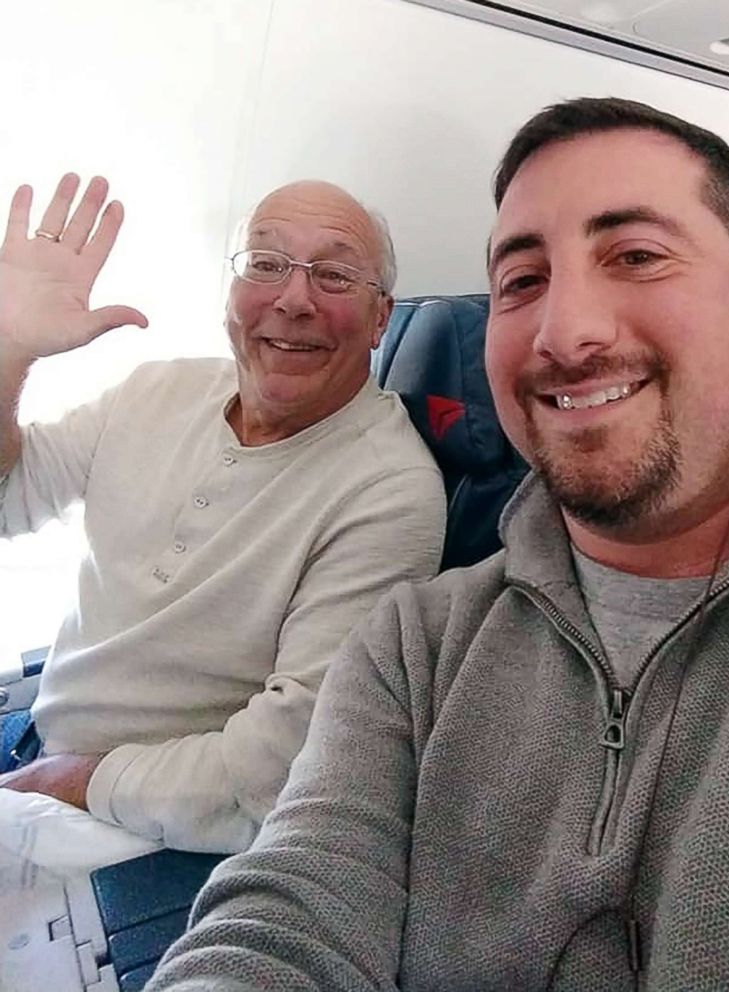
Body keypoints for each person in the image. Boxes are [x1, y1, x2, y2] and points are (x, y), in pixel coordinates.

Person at [146, 98, 729, 990]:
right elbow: (291, 913)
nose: (564, 334)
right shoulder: (416, 645)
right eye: (520, 282)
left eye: (635, 256)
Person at [0, 174, 446, 852]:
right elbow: (9, 501)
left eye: (333, 274)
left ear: (381, 316)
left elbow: (278, 764)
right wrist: (9, 350)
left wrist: (74, 781)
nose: (293, 299)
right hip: (40, 737)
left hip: (150, 821)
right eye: (265, 264)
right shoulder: (156, 389)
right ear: (231, 293)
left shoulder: (388, 492)